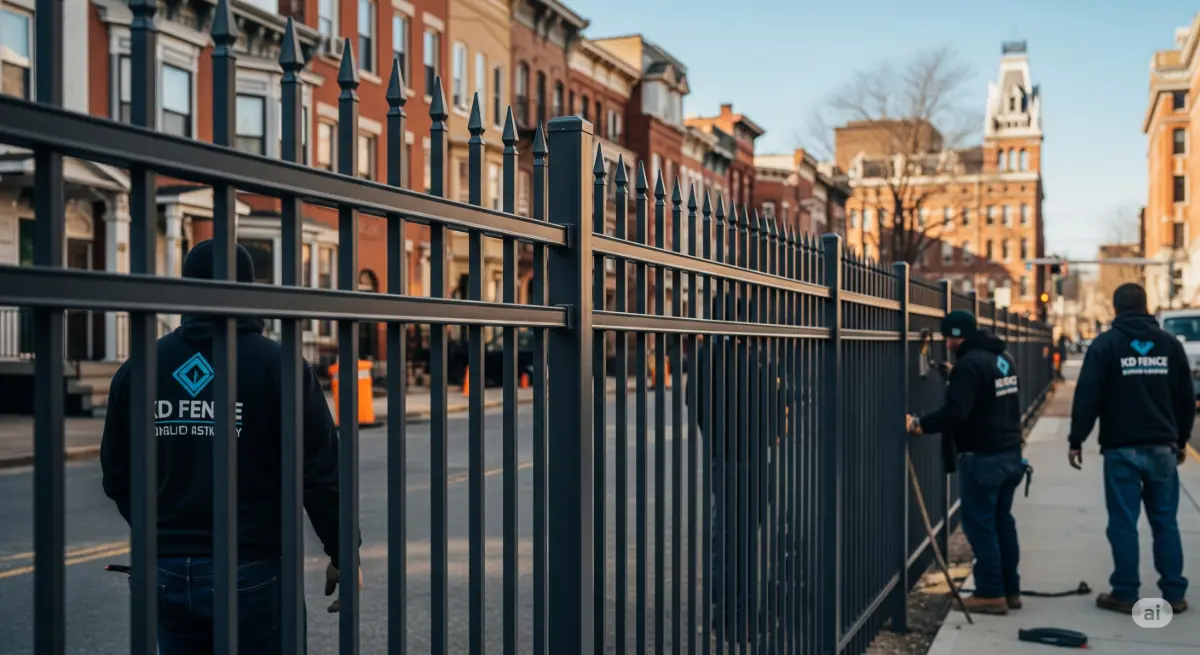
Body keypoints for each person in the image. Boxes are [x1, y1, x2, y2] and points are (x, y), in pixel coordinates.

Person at [100, 240, 358, 654]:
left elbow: (116, 472)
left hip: (166, 567)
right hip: (250, 566)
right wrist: (344, 551)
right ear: (249, 290)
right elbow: (319, 472)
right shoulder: (280, 366)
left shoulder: (141, 366)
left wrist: (162, 531)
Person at [1067, 282, 1192, 615]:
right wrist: (1181, 439)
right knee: (1165, 521)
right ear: (1146, 306)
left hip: (1121, 448)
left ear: (1116, 308)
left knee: (1123, 522)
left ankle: (1125, 592)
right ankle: (1174, 593)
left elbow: (1088, 395)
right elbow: (1185, 398)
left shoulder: (1106, 345)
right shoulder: (1169, 345)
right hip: (1162, 446)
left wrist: (1076, 438)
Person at [905, 310, 1025, 615]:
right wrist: (953, 375)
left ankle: (990, 593)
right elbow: (985, 393)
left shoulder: (969, 365)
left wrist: (919, 424)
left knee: (980, 526)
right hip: (1010, 454)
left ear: (962, 336)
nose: (946, 343)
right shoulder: (1003, 358)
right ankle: (1010, 589)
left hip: (983, 458)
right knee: (1002, 523)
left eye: (950, 337)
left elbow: (955, 413)